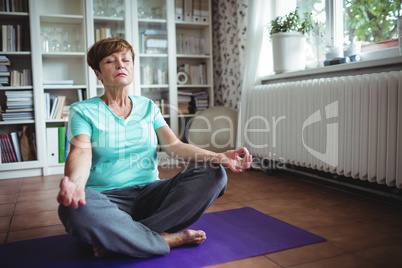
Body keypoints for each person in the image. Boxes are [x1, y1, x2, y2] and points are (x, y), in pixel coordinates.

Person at [57, 37, 252, 258]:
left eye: (126, 60)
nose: (121, 65)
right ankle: (164, 239)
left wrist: (220, 156)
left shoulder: (148, 106)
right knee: (73, 209)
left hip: (151, 194)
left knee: (214, 172)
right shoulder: (83, 110)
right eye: (111, 61)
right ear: (98, 73)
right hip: (107, 199)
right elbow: (81, 152)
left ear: (132, 67)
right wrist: (75, 185)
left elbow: (175, 146)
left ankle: (126, 238)